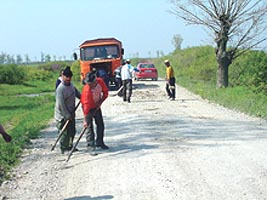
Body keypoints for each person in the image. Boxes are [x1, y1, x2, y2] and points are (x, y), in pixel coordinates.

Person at [55, 66, 81, 154]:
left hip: (71, 113)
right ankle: (63, 148)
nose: (68, 79)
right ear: (63, 76)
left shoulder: (72, 85)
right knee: (64, 133)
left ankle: (70, 146)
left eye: (70, 77)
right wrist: (67, 115)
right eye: (66, 77)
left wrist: (83, 98)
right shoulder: (60, 89)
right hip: (62, 115)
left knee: (72, 131)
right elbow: (61, 105)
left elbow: (77, 94)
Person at [80, 71, 109, 150]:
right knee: (89, 126)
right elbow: (86, 106)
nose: (89, 85)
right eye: (88, 83)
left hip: (96, 105)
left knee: (100, 124)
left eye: (90, 83)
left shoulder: (100, 82)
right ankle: (90, 145)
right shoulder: (87, 90)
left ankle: (100, 142)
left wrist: (100, 102)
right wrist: (85, 120)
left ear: (95, 80)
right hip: (88, 107)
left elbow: (105, 93)